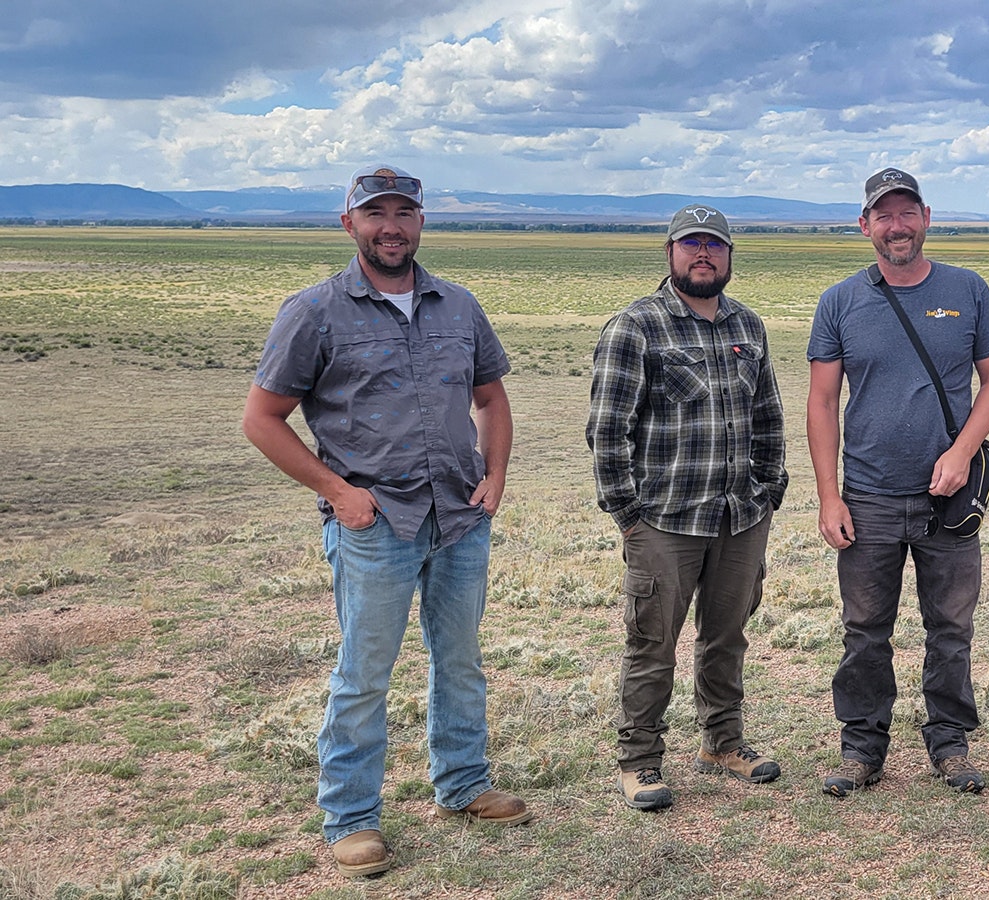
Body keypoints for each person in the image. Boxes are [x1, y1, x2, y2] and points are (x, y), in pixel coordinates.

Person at [242, 164, 530, 877]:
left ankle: (462, 784)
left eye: (405, 212)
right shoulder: (313, 311)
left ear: (423, 222)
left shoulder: (458, 306)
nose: (391, 226)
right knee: (364, 675)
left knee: (459, 660)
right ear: (350, 225)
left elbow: (491, 400)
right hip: (375, 524)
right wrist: (338, 492)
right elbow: (262, 420)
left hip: (459, 517)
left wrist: (494, 476)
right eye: (376, 214)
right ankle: (350, 817)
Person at [807, 168, 989, 797]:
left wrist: (962, 451)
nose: (897, 226)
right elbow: (821, 401)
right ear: (864, 225)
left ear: (926, 217)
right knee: (865, 630)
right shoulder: (840, 301)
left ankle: (950, 745)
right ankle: (862, 748)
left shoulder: (968, 290)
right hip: (867, 496)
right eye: (883, 215)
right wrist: (829, 495)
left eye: (907, 213)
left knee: (950, 630)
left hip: (946, 501)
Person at [587, 203, 789, 811]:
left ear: (730, 255)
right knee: (653, 643)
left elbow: (767, 416)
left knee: (727, 636)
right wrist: (628, 514)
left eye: (715, 245)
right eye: (691, 244)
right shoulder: (636, 328)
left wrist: (769, 488)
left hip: (740, 516)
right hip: (665, 520)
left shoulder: (747, 326)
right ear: (670, 253)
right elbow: (606, 431)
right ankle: (640, 760)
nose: (704, 254)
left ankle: (722, 742)